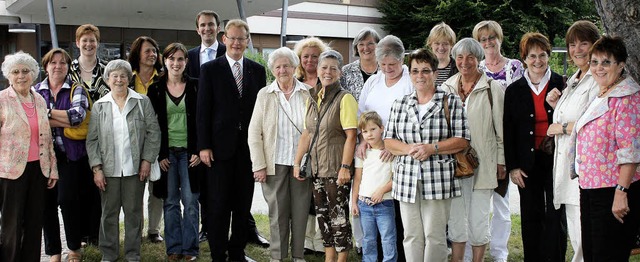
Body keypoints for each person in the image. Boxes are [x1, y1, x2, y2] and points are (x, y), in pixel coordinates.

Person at [186, 10, 267, 247]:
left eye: (241, 38)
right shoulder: (210, 70)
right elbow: (203, 112)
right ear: (224, 39)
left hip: (247, 150)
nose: (236, 43)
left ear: (247, 40)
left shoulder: (257, 70)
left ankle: (238, 252)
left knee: (242, 205)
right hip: (218, 151)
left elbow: (259, 112)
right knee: (218, 205)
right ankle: (219, 253)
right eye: (232, 38)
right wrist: (203, 146)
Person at [384, 48, 470, 262]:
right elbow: (388, 141)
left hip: (438, 178)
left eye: (425, 70)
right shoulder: (400, 104)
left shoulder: (450, 102)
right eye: (415, 71)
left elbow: (462, 140)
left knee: (435, 235)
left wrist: (432, 148)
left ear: (434, 72)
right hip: (406, 179)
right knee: (411, 235)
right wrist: (409, 149)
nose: (420, 76)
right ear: (410, 74)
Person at [86, 59, 160, 261]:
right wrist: (97, 168)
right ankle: (108, 254)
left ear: (129, 78)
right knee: (108, 214)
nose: (119, 80)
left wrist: (147, 160)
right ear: (107, 79)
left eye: (123, 76)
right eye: (114, 76)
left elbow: (154, 133)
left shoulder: (142, 101)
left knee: (134, 213)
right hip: (108, 171)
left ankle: (132, 254)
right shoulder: (100, 106)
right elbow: (92, 140)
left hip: (135, 169)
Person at [574, 35, 640, 261]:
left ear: (621, 65)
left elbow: (630, 151)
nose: (599, 68)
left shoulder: (627, 97)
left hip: (613, 192)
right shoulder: (602, 92)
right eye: (594, 62)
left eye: (606, 62)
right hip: (591, 188)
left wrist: (621, 193)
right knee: (592, 254)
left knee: (608, 255)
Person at [503, 32, 567, 262]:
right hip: (527, 162)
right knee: (531, 215)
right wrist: (513, 167)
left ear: (549, 56)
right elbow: (508, 131)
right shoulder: (514, 90)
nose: (538, 60)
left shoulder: (562, 83)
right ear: (524, 59)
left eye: (542, 55)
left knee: (555, 213)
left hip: (555, 160)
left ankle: (555, 257)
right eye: (532, 56)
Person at [440, 38, 505, 262]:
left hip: (483, 164)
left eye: (470, 57)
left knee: (478, 220)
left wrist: (501, 161)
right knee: (456, 219)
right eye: (460, 57)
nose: (465, 62)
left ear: (478, 60)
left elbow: (501, 130)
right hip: (453, 164)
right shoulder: (446, 87)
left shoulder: (491, 89)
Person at [247, 47, 312, 262]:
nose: (282, 69)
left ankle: (298, 255)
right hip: (274, 163)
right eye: (278, 66)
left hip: (301, 163)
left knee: (301, 211)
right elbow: (254, 132)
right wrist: (259, 165)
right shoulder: (265, 94)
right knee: (277, 214)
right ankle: (278, 256)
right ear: (273, 70)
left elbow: (313, 129)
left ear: (295, 67)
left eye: (286, 65)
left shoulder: (307, 93)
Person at [293, 50, 357, 262]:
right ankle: (329, 258)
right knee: (323, 216)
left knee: (338, 217)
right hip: (317, 168)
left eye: (333, 68)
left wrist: (345, 167)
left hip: (336, 169)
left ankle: (342, 259)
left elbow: (351, 136)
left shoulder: (345, 98)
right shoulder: (312, 97)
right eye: (324, 67)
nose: (327, 72)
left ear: (340, 72)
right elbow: (307, 133)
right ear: (317, 70)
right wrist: (297, 162)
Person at [544, 20, 600, 262]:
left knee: (584, 239)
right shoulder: (575, 79)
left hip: (585, 172)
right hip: (567, 172)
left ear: (595, 46)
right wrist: (558, 105)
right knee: (577, 237)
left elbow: (596, 123)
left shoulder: (597, 79)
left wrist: (562, 127)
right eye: (572, 44)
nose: (577, 50)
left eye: (583, 43)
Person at [356, 34, 412, 261]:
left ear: (402, 60)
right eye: (383, 64)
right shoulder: (373, 81)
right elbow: (362, 113)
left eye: (393, 64)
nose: (388, 69)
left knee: (394, 214)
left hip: (399, 151)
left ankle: (396, 256)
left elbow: (413, 118)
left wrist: (394, 144)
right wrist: (363, 141)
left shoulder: (410, 80)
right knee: (372, 211)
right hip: (372, 151)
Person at [471, 21, 524, 262]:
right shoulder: (476, 68)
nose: (488, 42)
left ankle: (500, 253)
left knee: (501, 205)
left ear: (499, 38)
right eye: (483, 39)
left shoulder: (514, 67)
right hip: (480, 145)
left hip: (505, 142)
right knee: (478, 205)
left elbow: (520, 106)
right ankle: (474, 249)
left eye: (492, 37)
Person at [0, 51, 58, 262]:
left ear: (33, 74)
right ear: (9, 75)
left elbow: (47, 137)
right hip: (10, 172)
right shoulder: (2, 100)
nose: (21, 76)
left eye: (25, 71)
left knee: (34, 223)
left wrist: (52, 168)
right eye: (15, 72)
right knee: (12, 225)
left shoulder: (40, 100)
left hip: (38, 169)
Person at [34, 48, 90, 262]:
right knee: (46, 205)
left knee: (68, 201)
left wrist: (46, 114)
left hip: (70, 156)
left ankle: (74, 248)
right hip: (43, 157)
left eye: (63, 63)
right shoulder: (36, 90)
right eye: (53, 62)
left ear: (68, 67)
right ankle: (54, 253)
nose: (58, 66)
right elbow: (33, 120)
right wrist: (61, 117)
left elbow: (76, 118)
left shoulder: (77, 89)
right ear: (46, 66)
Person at [147, 43, 201, 261]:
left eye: (180, 59)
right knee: (170, 202)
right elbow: (152, 126)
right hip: (167, 155)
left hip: (190, 154)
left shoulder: (197, 86)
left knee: (190, 202)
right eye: (171, 59)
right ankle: (174, 248)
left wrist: (199, 150)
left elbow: (202, 121)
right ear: (164, 60)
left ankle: (190, 249)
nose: (176, 63)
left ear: (186, 62)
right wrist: (159, 155)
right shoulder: (155, 89)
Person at [68, 24, 106, 245]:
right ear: (77, 43)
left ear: (98, 43)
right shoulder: (68, 70)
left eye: (92, 40)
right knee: (77, 187)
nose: (89, 44)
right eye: (85, 40)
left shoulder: (107, 70)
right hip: (74, 139)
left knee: (97, 188)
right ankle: (80, 234)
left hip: (101, 138)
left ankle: (95, 234)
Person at [127, 35, 165, 243]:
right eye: (147, 51)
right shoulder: (128, 77)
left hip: (157, 138)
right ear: (137, 54)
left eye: (154, 50)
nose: (152, 54)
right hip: (131, 139)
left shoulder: (163, 78)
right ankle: (137, 229)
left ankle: (153, 229)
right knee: (135, 188)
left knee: (156, 187)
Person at [351, 111, 396, 262]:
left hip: (385, 203)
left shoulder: (390, 153)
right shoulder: (362, 153)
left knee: (388, 239)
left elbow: (396, 179)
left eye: (373, 129)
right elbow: (357, 179)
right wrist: (354, 202)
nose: (369, 134)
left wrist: (382, 191)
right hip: (364, 204)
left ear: (382, 128)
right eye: (364, 131)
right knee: (368, 240)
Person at [340, 27, 381, 101]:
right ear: (356, 48)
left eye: (370, 43)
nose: (365, 48)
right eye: (361, 44)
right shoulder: (346, 72)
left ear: (378, 46)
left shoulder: (386, 70)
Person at [426, 22, 458, 88]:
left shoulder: (459, 67)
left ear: (451, 45)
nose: (441, 48)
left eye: (445, 44)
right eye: (437, 43)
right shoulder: (423, 68)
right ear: (430, 44)